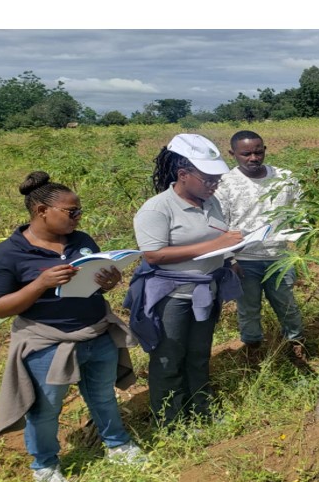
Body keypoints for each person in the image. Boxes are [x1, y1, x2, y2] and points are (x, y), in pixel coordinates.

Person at [0, 171, 144, 482]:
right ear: (41, 211)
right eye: (71, 212)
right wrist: (40, 284)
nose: (78, 217)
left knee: (101, 396)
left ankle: (117, 445)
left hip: (95, 333)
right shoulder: (7, 254)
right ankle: (45, 465)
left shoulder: (81, 240)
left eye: (79, 211)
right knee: (45, 409)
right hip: (46, 343)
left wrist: (108, 282)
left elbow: (94, 280)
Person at [127, 133, 243, 428]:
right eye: (208, 179)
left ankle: (202, 409)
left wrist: (230, 258)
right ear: (183, 174)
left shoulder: (210, 202)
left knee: (198, 355)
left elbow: (218, 237)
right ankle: (170, 420)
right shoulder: (157, 209)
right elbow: (153, 255)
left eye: (217, 179)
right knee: (168, 359)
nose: (215, 185)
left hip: (205, 292)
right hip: (173, 298)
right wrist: (217, 246)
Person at [214, 130, 305, 360]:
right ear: (232, 154)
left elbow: (301, 211)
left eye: (258, 152)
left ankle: (295, 342)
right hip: (244, 260)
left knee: (287, 305)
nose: (253, 158)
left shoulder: (285, 178)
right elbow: (219, 225)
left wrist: (298, 239)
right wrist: (230, 259)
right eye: (246, 154)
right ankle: (253, 347)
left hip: (279, 256)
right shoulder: (224, 183)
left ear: (265, 150)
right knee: (248, 308)